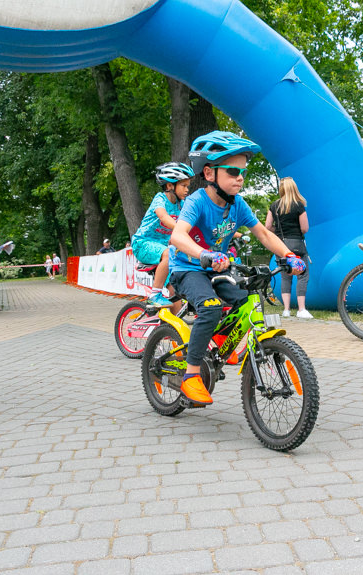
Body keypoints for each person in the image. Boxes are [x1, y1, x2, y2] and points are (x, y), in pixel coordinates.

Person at [169, 130, 305, 405]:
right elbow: (177, 236)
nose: (240, 178)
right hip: (188, 267)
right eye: (232, 171)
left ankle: (220, 343)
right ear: (209, 174)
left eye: (243, 171)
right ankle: (191, 375)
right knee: (209, 307)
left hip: (217, 267)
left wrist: (289, 255)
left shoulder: (238, 204)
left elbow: (264, 234)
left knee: (245, 300)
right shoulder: (197, 201)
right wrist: (203, 254)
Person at [131, 162, 193, 307]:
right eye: (183, 186)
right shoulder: (160, 199)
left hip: (162, 248)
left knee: (174, 291)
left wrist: (235, 234)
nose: (187, 190)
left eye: (188, 186)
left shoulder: (181, 205)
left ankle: (172, 327)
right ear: (170, 185)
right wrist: (180, 228)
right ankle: (155, 294)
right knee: (168, 252)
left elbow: (197, 225)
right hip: (143, 244)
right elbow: (164, 217)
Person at [266, 177, 311, 318]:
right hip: (297, 243)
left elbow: (267, 226)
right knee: (302, 275)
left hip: (280, 245)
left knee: (285, 276)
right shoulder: (299, 205)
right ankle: (301, 309)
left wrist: (279, 232)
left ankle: (286, 310)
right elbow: (305, 228)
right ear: (294, 188)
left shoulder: (274, 206)